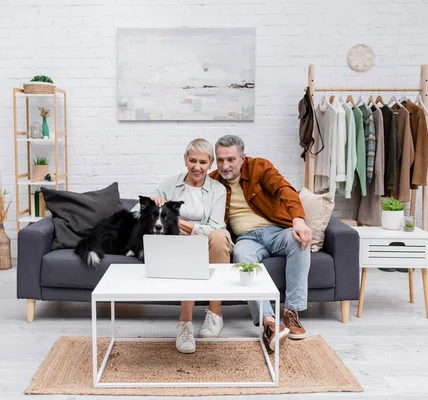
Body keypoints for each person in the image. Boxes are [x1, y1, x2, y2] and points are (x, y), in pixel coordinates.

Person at [209, 135, 312, 352]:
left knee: (299, 242)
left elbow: (285, 190)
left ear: (243, 158)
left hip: (277, 231)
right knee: (241, 258)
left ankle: (291, 312)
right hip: (246, 238)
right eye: (220, 160)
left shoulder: (260, 168)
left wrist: (298, 220)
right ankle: (269, 322)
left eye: (231, 160)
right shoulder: (214, 180)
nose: (225, 166)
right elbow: (191, 188)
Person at [132, 138, 232, 354]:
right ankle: (185, 322)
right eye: (192, 160)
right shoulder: (170, 185)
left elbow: (217, 225)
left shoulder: (218, 190)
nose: (197, 167)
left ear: (210, 164)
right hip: (178, 244)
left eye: (203, 162)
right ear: (185, 160)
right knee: (187, 245)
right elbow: (134, 211)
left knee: (219, 236)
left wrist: (192, 228)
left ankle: (215, 314)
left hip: (208, 242)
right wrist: (153, 204)